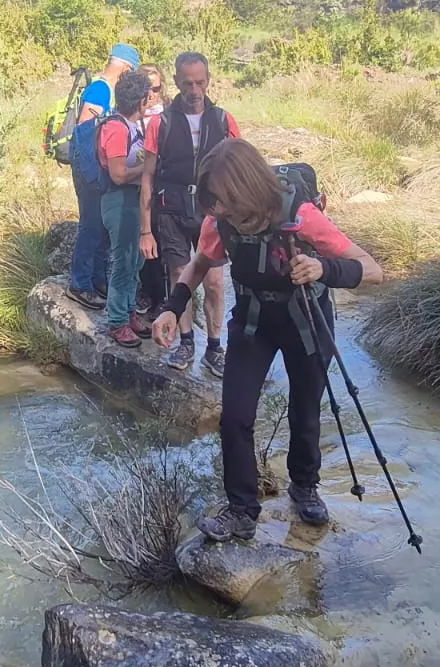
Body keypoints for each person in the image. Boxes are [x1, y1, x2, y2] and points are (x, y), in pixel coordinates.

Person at [152, 140, 383, 541]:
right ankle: (241, 510)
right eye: (212, 203)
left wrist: (322, 267)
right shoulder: (218, 220)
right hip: (254, 321)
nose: (218, 212)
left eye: (225, 203)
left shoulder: (300, 215)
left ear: (248, 192)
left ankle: (304, 486)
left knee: (305, 408)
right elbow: (199, 263)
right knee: (236, 418)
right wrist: (173, 307)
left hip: (306, 321)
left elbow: (372, 270)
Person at [139, 52, 241, 377]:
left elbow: (241, 171)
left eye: (199, 82)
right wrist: (145, 230)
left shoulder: (224, 120)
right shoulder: (162, 122)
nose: (194, 90)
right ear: (177, 82)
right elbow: (147, 177)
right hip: (171, 211)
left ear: (208, 80)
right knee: (179, 275)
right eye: (187, 83)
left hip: (212, 213)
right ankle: (185, 342)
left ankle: (214, 348)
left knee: (213, 282)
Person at [66, 43, 140, 311]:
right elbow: (85, 130)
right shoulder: (100, 89)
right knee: (91, 225)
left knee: (100, 227)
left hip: (96, 168)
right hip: (90, 169)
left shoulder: (103, 88)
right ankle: (80, 285)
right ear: (125, 67)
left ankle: (98, 280)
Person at [97, 69, 154, 346]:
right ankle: (118, 321)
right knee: (123, 261)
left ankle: (129, 311)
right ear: (141, 101)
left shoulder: (132, 126)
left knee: (135, 260)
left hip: (132, 200)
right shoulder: (117, 128)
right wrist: (149, 168)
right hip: (119, 200)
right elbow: (118, 174)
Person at [135, 63, 168, 316]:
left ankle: (161, 299)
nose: (152, 94)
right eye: (147, 88)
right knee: (142, 243)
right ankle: (145, 293)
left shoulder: (167, 115)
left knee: (160, 243)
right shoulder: (129, 114)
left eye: (156, 88)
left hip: (162, 189)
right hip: (135, 187)